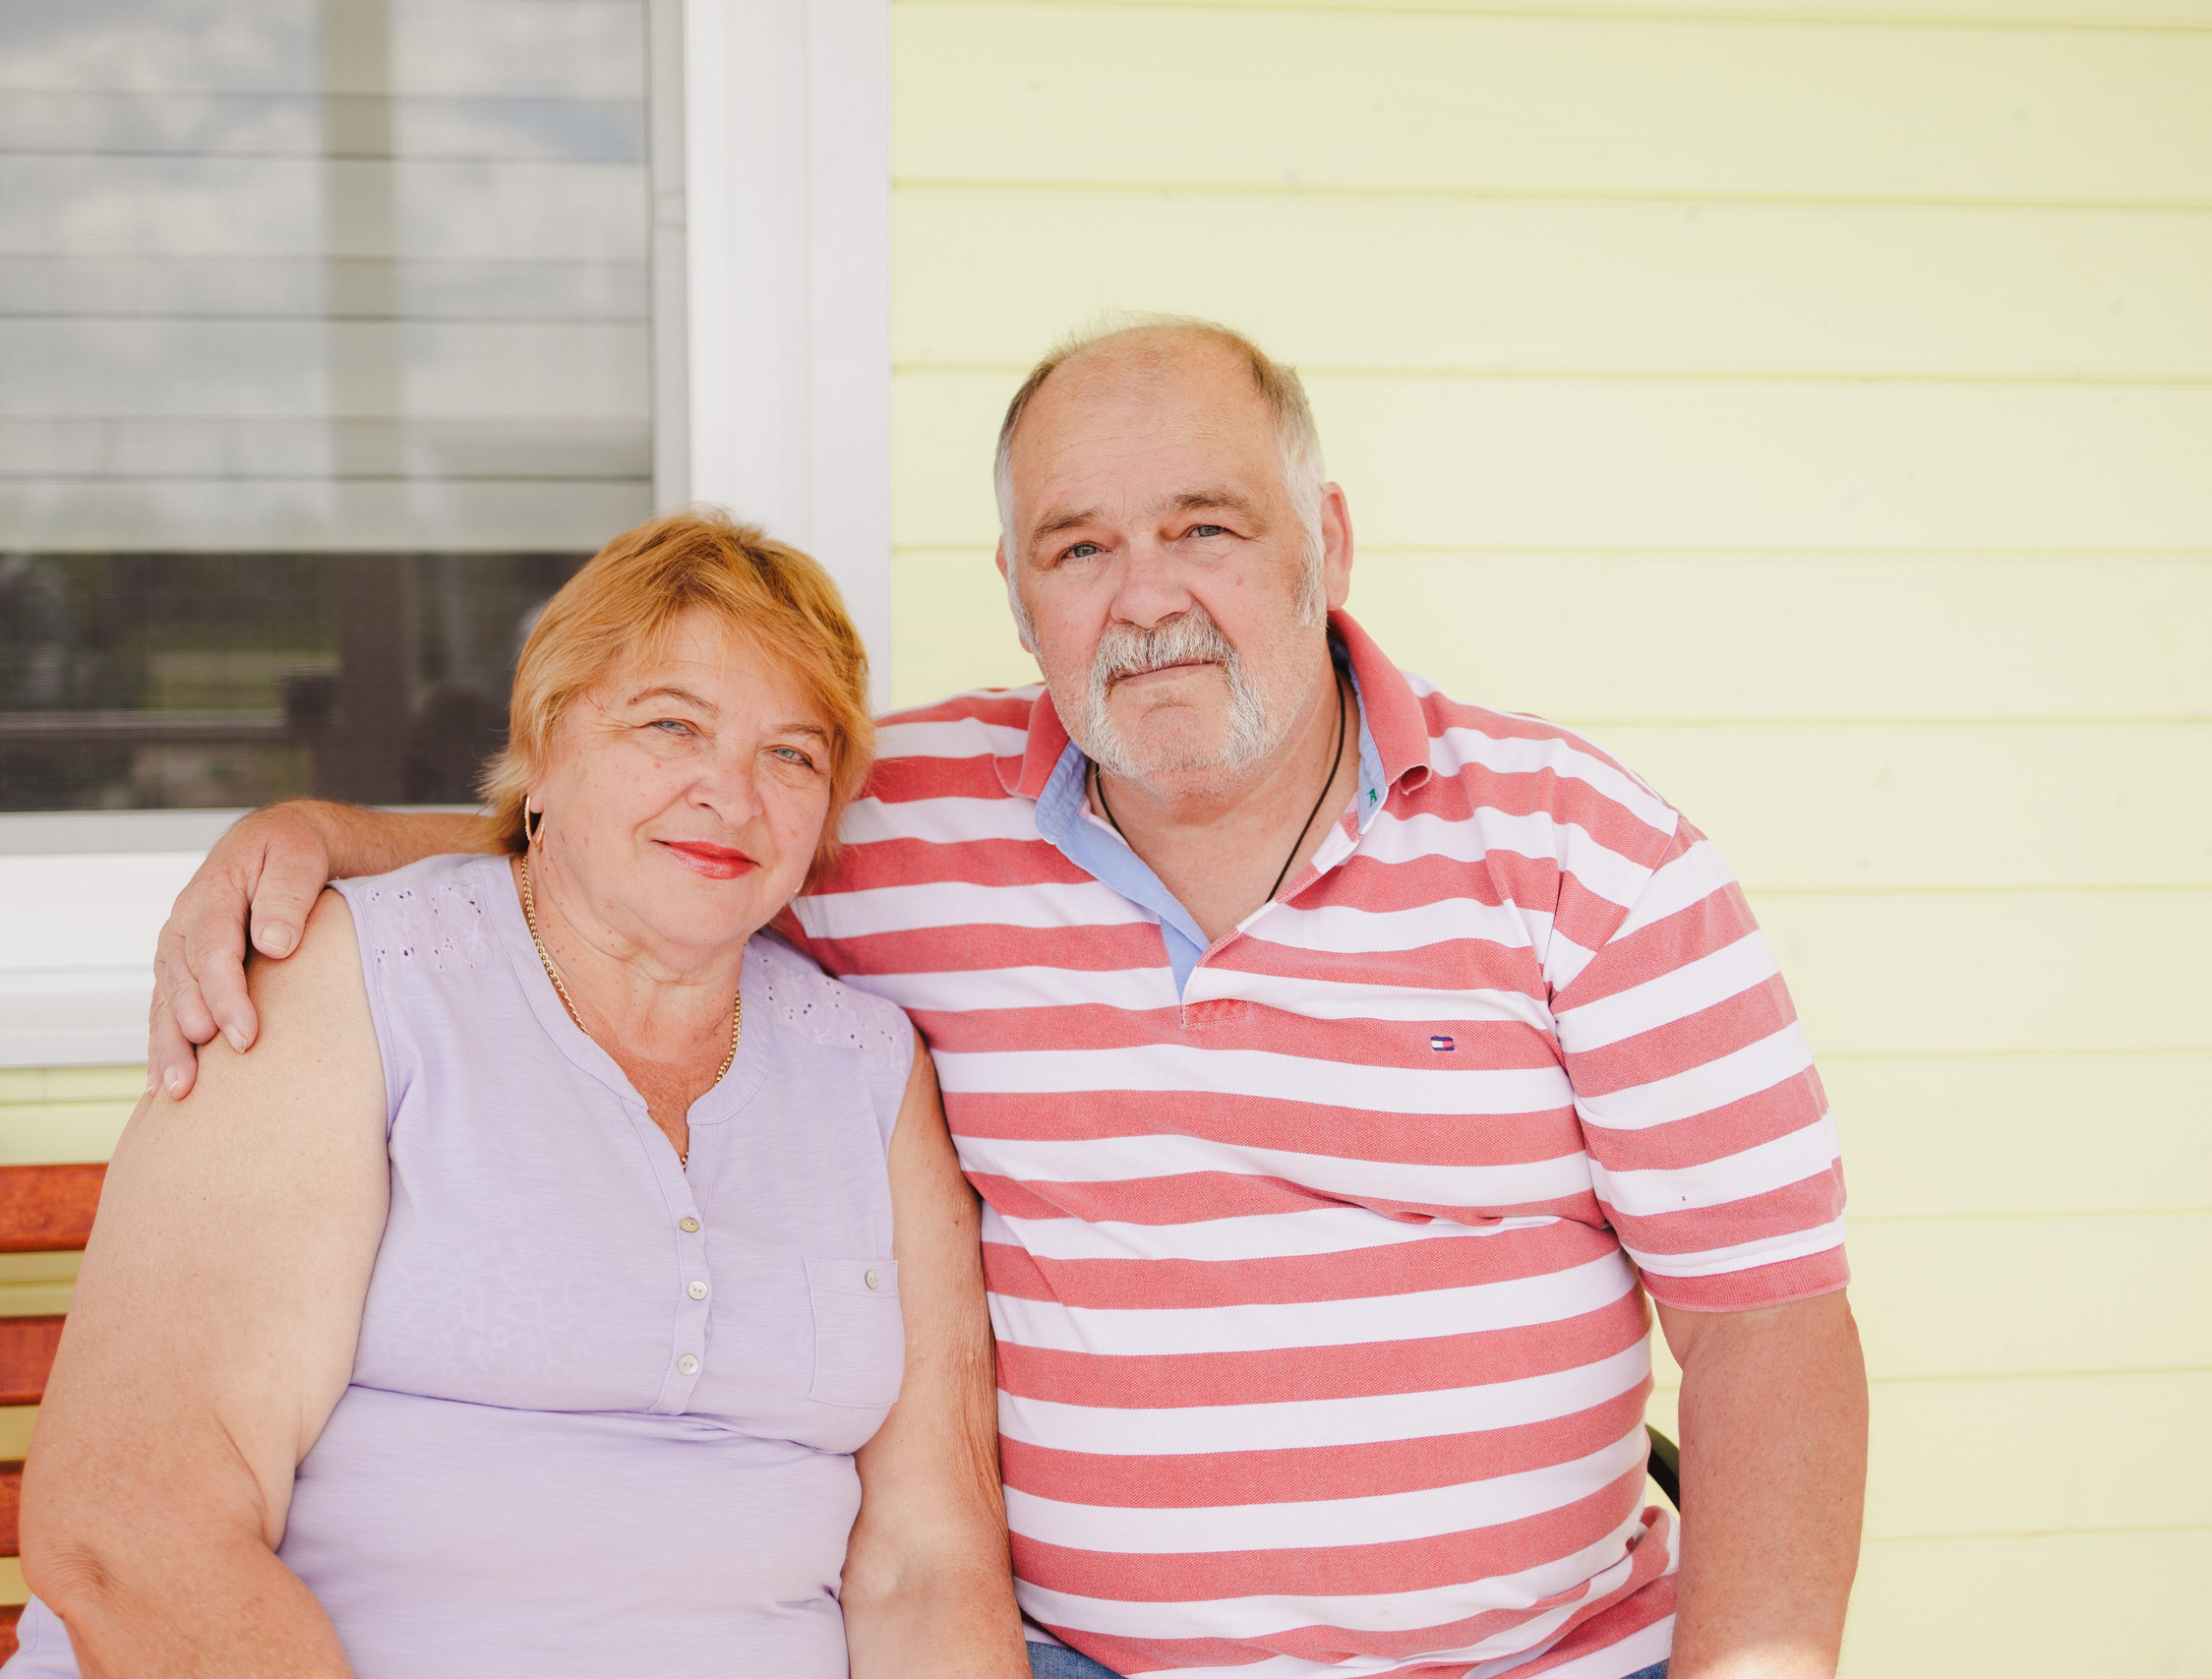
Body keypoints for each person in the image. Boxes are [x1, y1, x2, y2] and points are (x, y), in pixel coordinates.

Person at [149, 318, 1869, 1679]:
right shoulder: (904, 819)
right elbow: (648, 830)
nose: (1147, 596)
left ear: (1325, 543)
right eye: (1079, 545)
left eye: (1208, 526)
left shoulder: (1590, 862)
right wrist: (329, 832)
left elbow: (1767, 1330)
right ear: (1017, 590)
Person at [8, 512, 1031, 1678]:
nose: (731, 795)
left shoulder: (867, 1069)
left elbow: (926, 1565)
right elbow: (134, 1525)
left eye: (790, 755)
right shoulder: (350, 981)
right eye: (669, 726)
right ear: (543, 748)